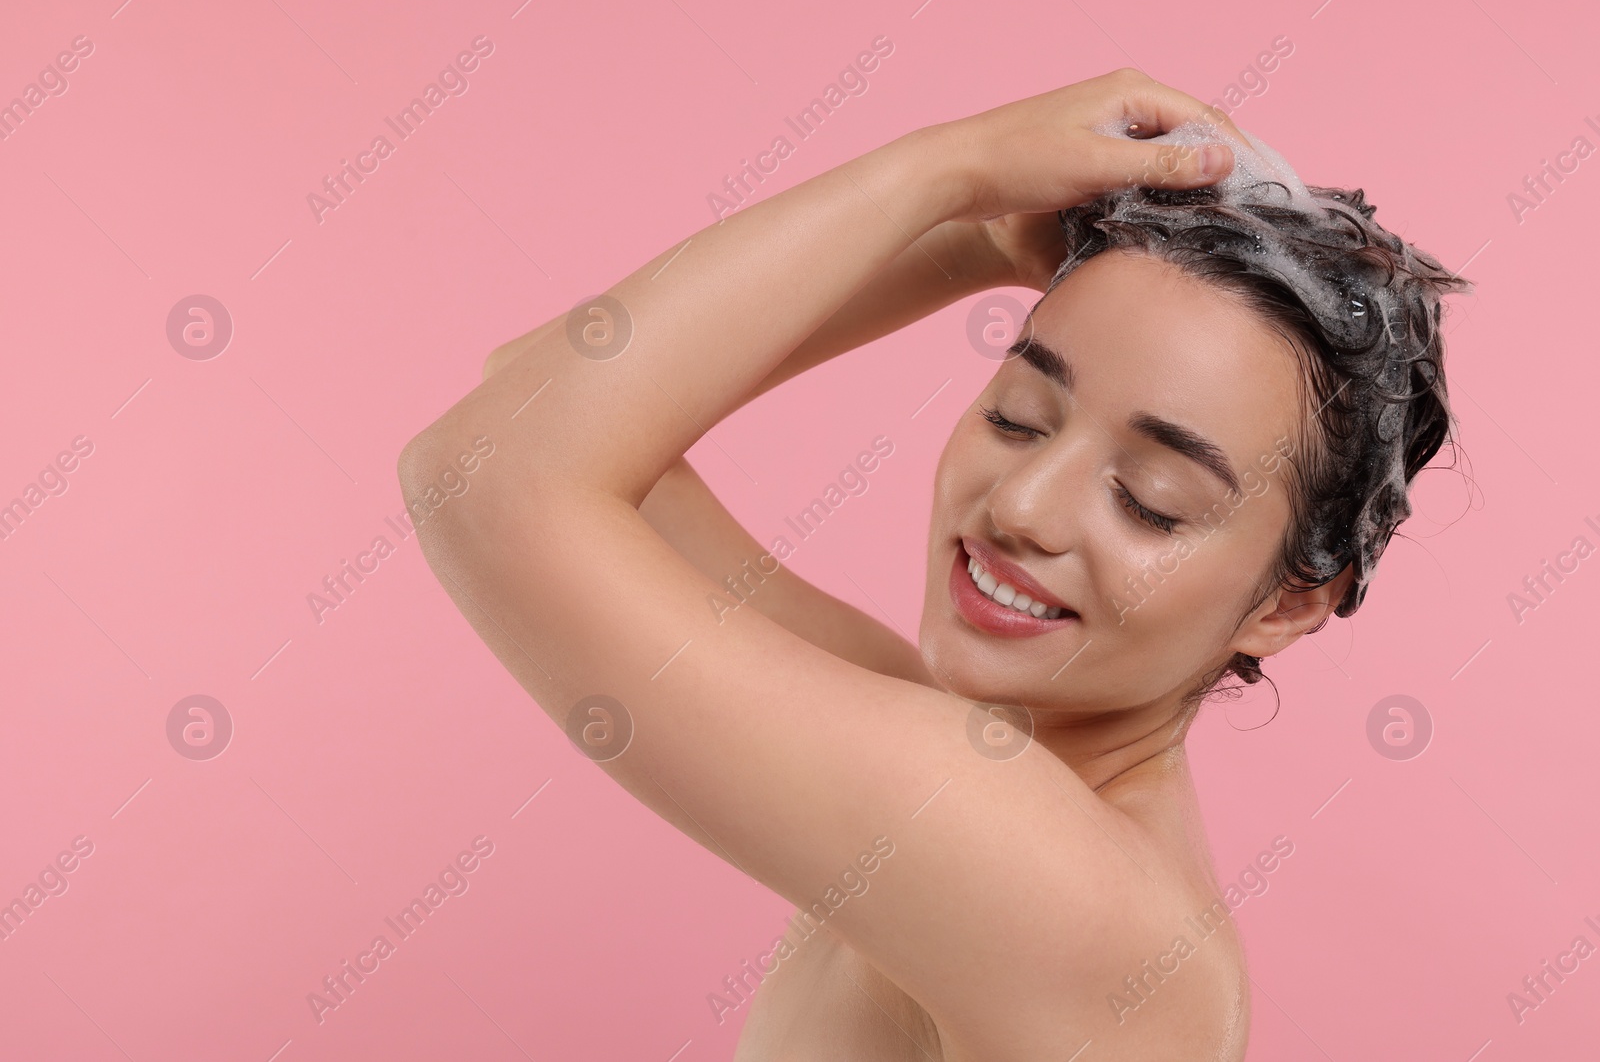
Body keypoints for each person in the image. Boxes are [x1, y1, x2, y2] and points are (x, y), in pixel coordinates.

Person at [399, 68, 1469, 1060]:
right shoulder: (958, 768)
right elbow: (540, 392)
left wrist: (944, 175)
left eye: (1150, 500)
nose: (1021, 506)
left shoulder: (1059, 887)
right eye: (1018, 415)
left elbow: (485, 472)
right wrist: (974, 250)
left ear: (1288, 602)